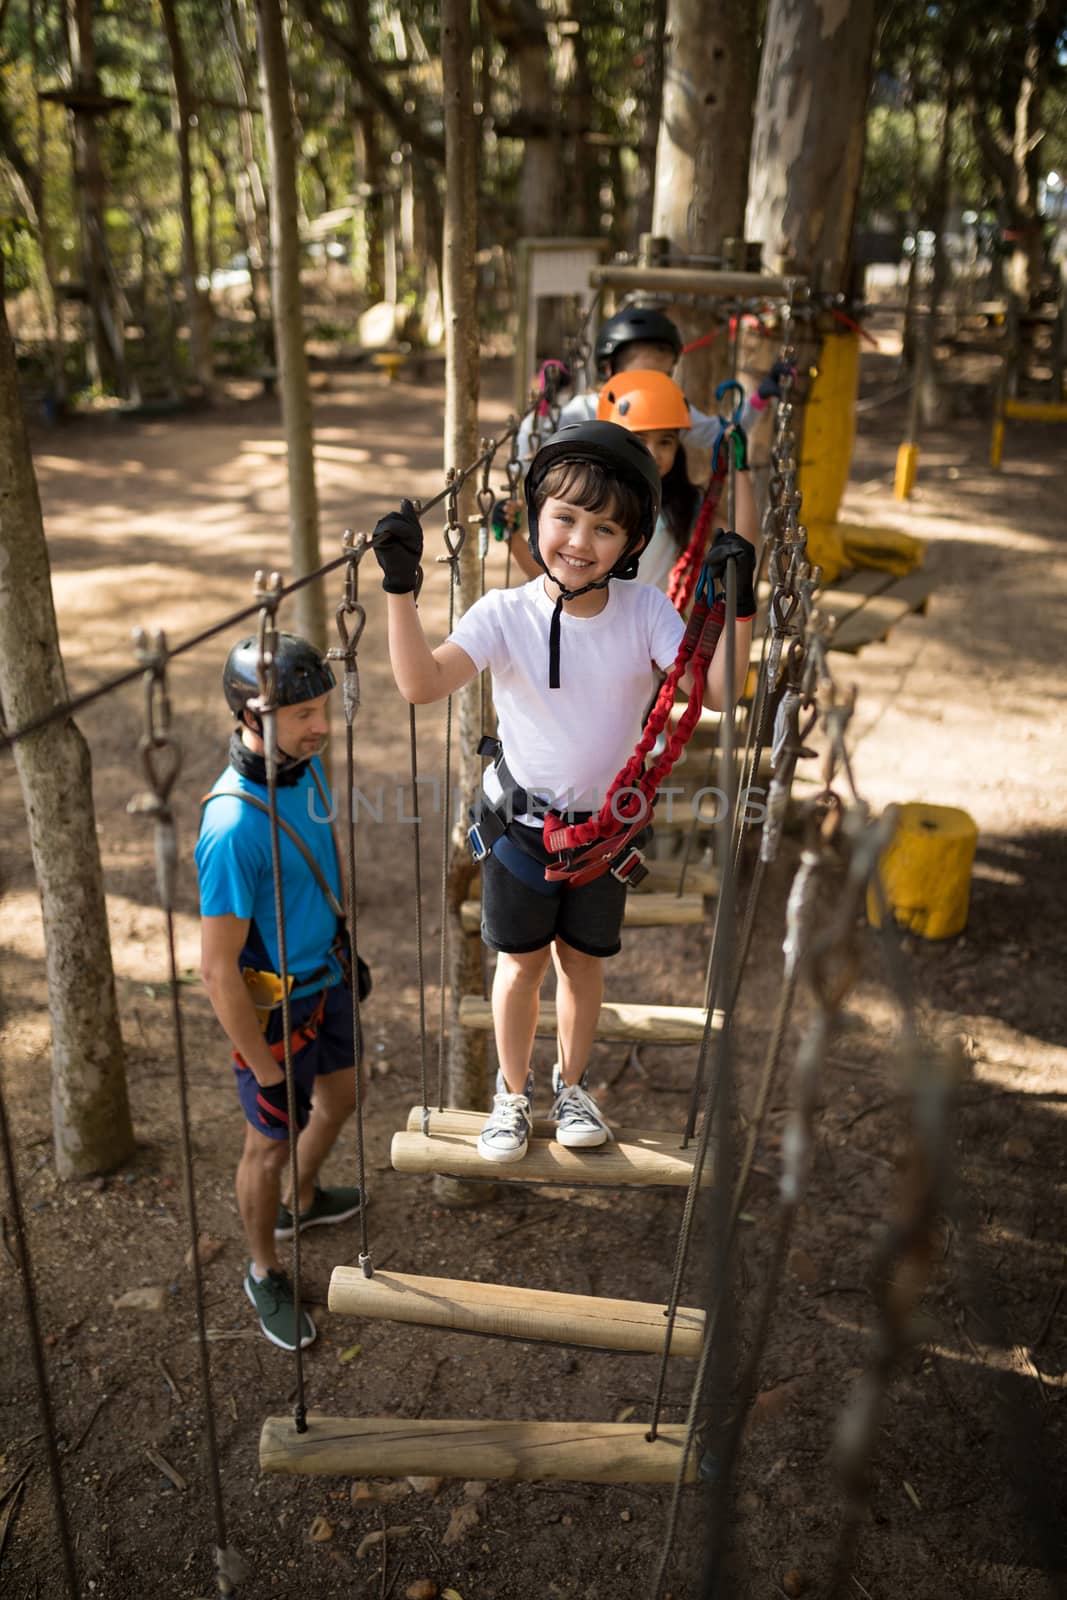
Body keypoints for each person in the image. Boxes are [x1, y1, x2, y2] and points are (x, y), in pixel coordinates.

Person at [372, 421, 757, 1165]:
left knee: (583, 962)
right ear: (536, 517)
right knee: (519, 965)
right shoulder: (502, 615)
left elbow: (712, 694)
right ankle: (510, 1098)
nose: (580, 540)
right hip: (520, 829)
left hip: (604, 836)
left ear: (631, 542)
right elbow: (420, 685)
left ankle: (571, 1085)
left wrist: (737, 607)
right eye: (565, 518)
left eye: (605, 527)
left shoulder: (644, 612)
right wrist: (399, 591)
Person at [195, 634, 369, 1352]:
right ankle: (263, 1266)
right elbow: (216, 968)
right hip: (275, 1011)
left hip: (325, 980)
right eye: (301, 714)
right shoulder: (232, 827)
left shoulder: (307, 767)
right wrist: (265, 1073)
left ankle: (302, 1198)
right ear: (249, 716)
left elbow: (317, 861)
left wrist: (337, 939)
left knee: (343, 1097)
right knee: (266, 1144)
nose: (319, 725)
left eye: (321, 708)